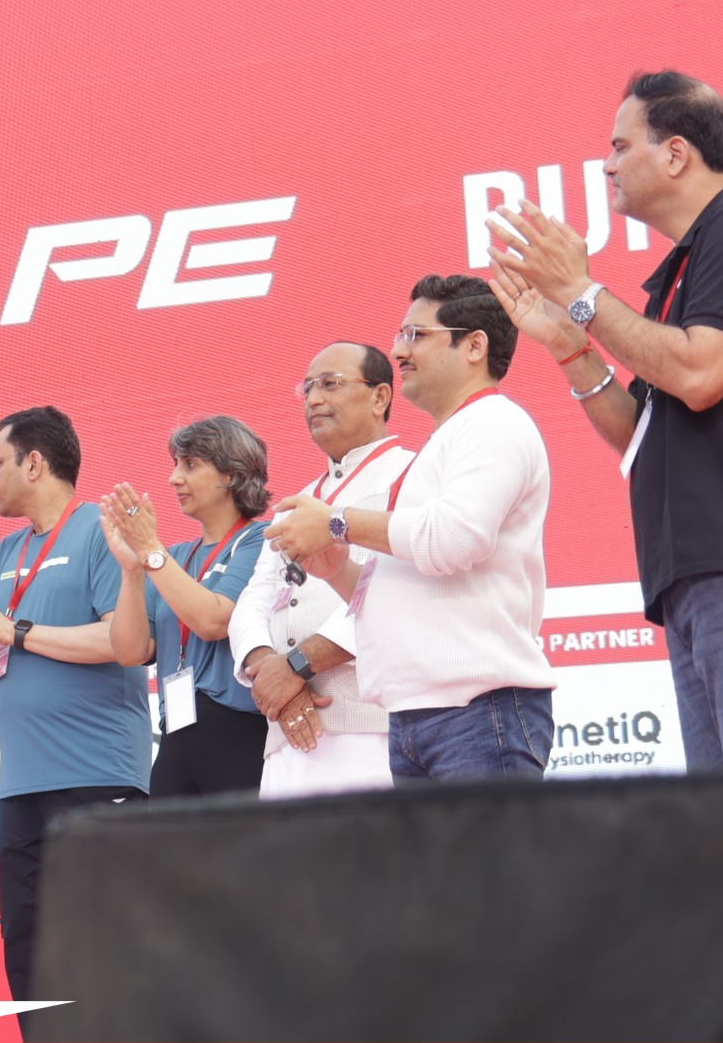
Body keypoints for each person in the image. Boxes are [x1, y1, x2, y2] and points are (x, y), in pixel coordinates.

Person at [488, 70, 723, 770]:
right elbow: (641, 432)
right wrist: (568, 344)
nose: (607, 165)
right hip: (700, 580)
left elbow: (699, 375)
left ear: (676, 153)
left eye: (621, 146)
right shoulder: (682, 271)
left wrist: (582, 291)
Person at [267, 276, 556, 781]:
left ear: (474, 346)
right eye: (401, 336)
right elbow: (407, 588)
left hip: (477, 713)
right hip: (415, 720)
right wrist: (338, 570)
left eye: (416, 335)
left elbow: (454, 539)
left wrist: (336, 523)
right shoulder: (447, 441)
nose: (399, 351)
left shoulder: (494, 422)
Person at [0, 405, 152, 1000]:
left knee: (104, 941)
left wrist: (13, 630)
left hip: (96, 772)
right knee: (27, 944)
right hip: (20, 784)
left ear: (34, 464)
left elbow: (121, 642)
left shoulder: (100, 533)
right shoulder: (3, 554)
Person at [225, 344, 413, 796]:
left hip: (372, 727)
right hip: (287, 732)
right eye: (307, 388)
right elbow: (253, 600)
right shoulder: (301, 499)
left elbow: (397, 592)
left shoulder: (411, 475)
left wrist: (296, 667)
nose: (313, 399)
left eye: (330, 384)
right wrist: (268, 669)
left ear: (380, 396)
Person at [96, 415, 271, 798]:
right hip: (176, 732)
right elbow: (130, 651)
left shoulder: (260, 540)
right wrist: (132, 569)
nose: (174, 479)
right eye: (176, 465)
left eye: (190, 465)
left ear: (230, 474)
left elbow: (213, 620)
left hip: (239, 732)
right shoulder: (174, 558)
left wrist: (149, 549)